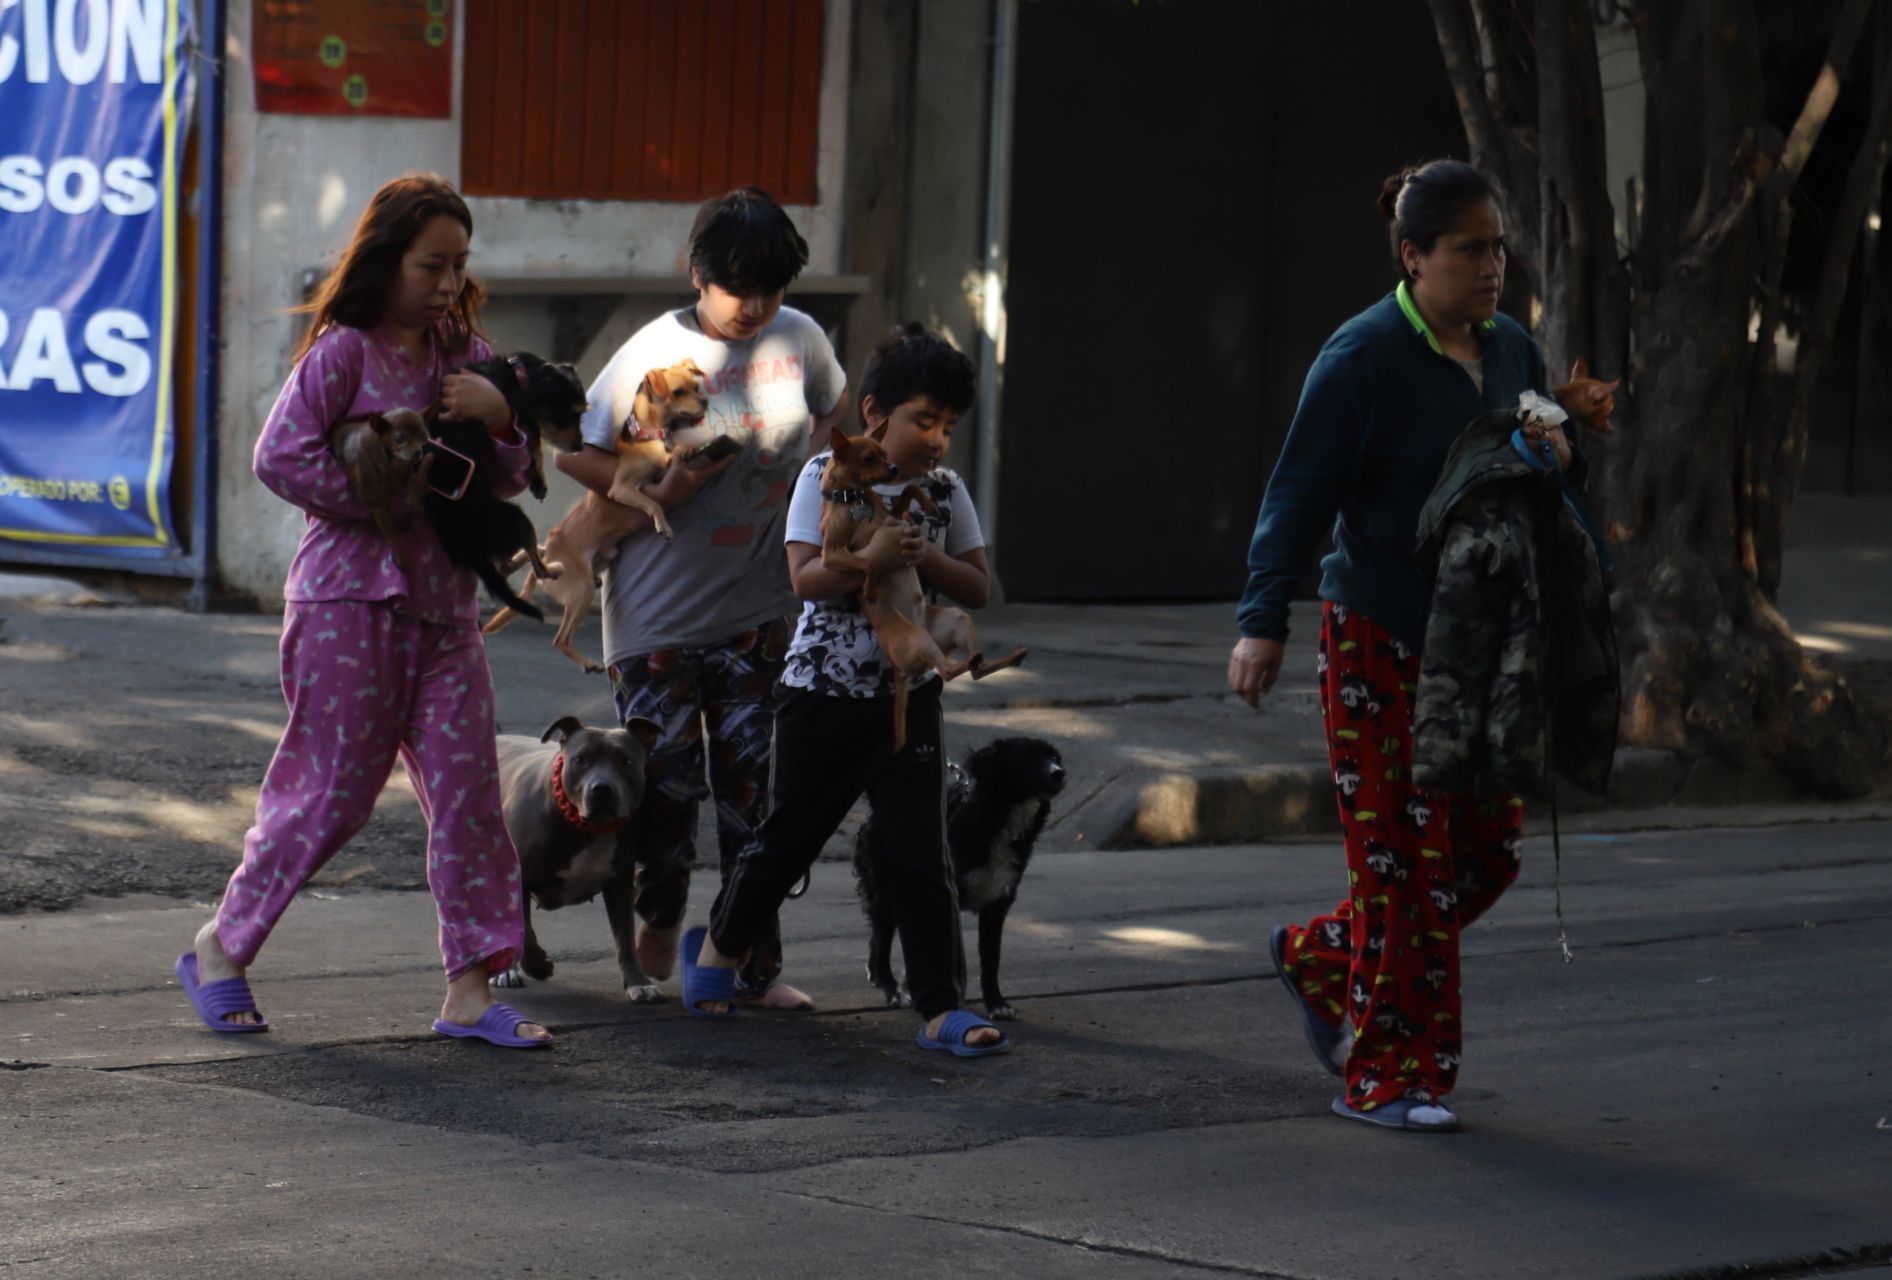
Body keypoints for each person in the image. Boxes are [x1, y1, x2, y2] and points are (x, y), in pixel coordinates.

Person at [1227, 160, 1568, 1130]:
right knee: (1402, 869)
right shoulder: (1361, 356)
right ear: (1411, 257)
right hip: (1377, 636)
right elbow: (1296, 493)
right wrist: (1260, 620)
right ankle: (1386, 1075)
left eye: (1496, 245)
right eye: (1468, 249)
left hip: (1481, 647)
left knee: (1484, 853)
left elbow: (1531, 478)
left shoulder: (1514, 354)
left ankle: (1317, 957)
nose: (1490, 266)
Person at [177, 174, 551, 1047]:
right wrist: (381, 495)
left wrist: (503, 421)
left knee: (468, 796)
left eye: (460, 265)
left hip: (446, 610)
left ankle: (471, 987)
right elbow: (278, 458)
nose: (449, 283)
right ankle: (220, 948)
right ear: (386, 262)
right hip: (349, 602)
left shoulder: (469, 353)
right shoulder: (343, 351)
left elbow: (506, 479)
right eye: (432, 265)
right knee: (330, 795)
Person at [679, 323, 1007, 1057]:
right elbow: (805, 579)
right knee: (786, 839)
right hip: (820, 695)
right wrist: (872, 559)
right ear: (871, 415)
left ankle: (939, 1005)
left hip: (906, 695)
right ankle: (718, 954)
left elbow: (978, 586)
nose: (937, 440)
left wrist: (923, 558)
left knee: (921, 853)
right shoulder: (823, 476)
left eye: (948, 426)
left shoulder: (945, 492)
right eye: (924, 420)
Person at [555, 188, 848, 1009]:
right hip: (656, 617)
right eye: (735, 285)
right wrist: (671, 484)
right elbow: (578, 454)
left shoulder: (804, 341)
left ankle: (750, 962)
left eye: (771, 287)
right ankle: (660, 918)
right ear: (697, 272)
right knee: (671, 790)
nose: (754, 305)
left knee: (757, 796)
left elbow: (834, 431)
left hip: (760, 611)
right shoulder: (652, 349)